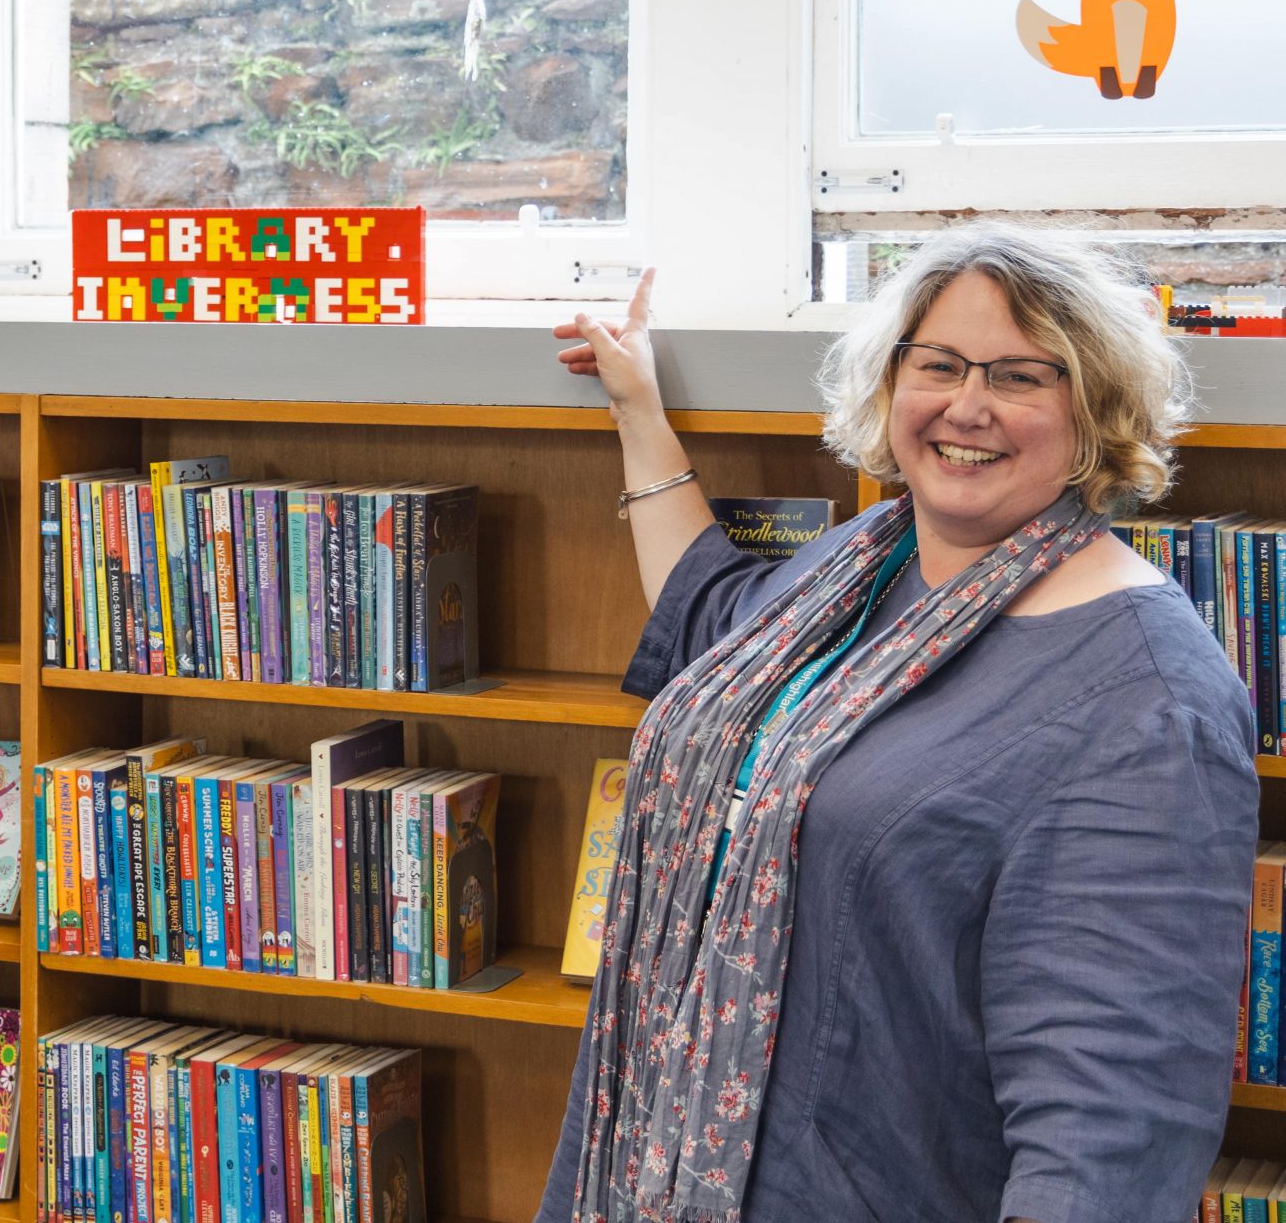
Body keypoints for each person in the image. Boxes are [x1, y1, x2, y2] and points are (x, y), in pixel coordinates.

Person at [536, 225, 1257, 1223]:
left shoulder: (1145, 700)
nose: (967, 405)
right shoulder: (856, 568)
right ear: (890, 382)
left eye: (1020, 375)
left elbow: (1112, 1124)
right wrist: (636, 408)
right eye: (939, 364)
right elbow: (713, 626)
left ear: (1095, 409)